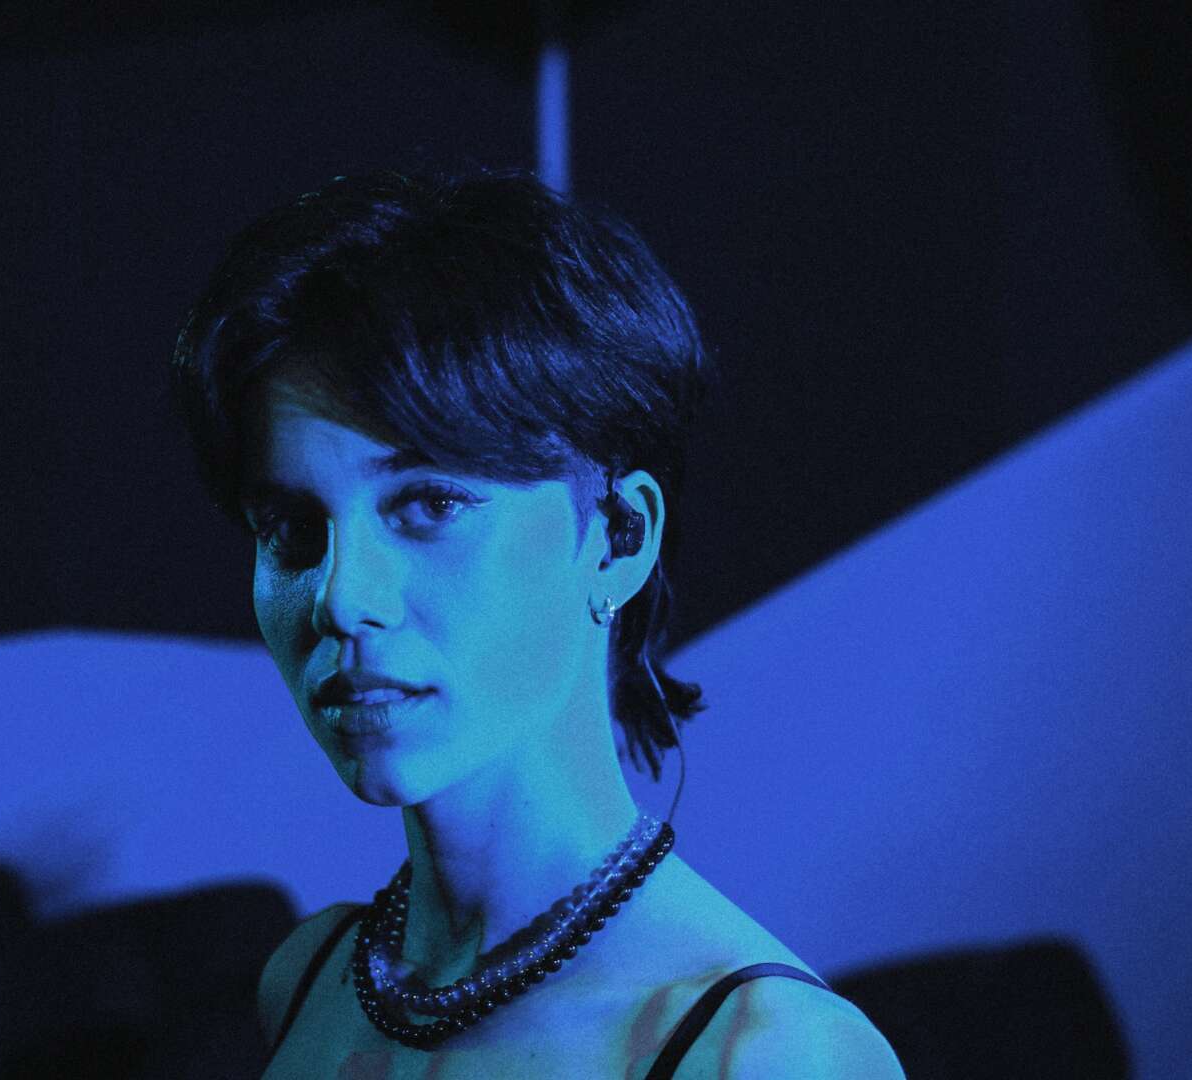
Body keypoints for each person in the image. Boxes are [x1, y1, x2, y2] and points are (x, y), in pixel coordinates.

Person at [170, 166, 905, 1077]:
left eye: (430, 503)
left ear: (618, 538)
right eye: (291, 528)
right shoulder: (307, 979)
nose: (342, 596)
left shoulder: (765, 1053)